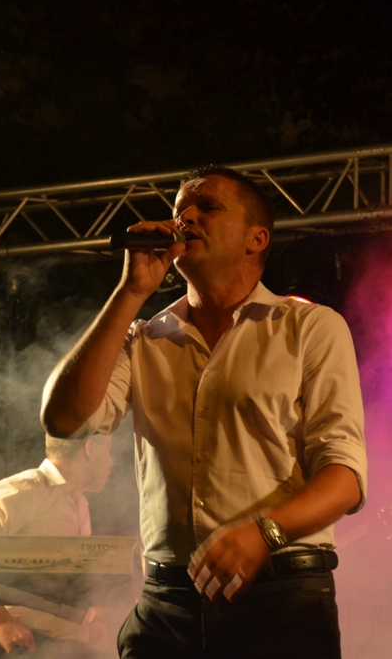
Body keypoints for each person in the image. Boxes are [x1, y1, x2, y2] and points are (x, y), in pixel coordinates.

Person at [40, 166, 368, 658]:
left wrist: (264, 533)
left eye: (207, 207)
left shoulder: (309, 328)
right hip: (167, 601)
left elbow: (345, 478)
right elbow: (64, 420)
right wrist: (130, 292)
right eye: (179, 211)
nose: (185, 218)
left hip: (280, 599)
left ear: (256, 239)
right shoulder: (145, 338)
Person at [0, 434, 115, 657]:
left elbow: (73, 579)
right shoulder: (26, 489)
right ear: (90, 449)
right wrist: (1, 621)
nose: (112, 461)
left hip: (63, 647)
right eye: (109, 450)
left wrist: (93, 618)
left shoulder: (81, 503)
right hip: (18, 647)